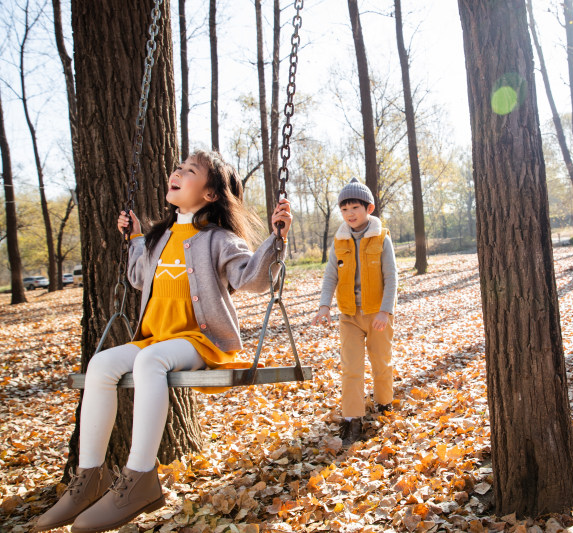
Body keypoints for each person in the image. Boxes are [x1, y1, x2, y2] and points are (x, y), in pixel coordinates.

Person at [34, 150, 292, 532]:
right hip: (156, 338)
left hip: (200, 340)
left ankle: (140, 477)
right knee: (100, 365)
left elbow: (252, 279)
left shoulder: (219, 239)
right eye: (179, 167)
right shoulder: (160, 236)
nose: (178, 172)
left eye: (191, 171)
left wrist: (276, 239)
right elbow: (140, 279)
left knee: (149, 361)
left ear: (210, 195)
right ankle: (90, 477)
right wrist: (136, 237)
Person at [311, 178, 398, 446]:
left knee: (381, 362)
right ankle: (352, 419)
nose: (350, 213)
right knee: (351, 367)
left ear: (368, 208)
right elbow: (330, 276)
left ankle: (383, 403)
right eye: (344, 209)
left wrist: (385, 311)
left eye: (354, 208)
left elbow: (392, 277)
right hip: (348, 315)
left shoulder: (381, 238)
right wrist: (324, 306)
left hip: (377, 315)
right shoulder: (339, 241)